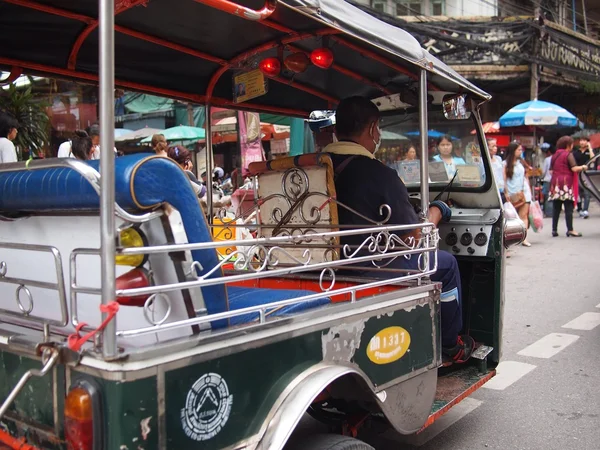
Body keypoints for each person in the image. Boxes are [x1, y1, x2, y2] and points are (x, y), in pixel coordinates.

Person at [322, 96, 473, 365]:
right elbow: (414, 238)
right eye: (377, 129)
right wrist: (437, 211)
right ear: (372, 129)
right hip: (369, 270)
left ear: (336, 130)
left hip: (321, 267)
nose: (378, 135)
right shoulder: (379, 174)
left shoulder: (313, 168)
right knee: (447, 264)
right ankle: (451, 346)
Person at [549, 136, 587, 237]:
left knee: (556, 207)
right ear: (567, 145)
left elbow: (551, 170)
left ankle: (554, 230)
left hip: (555, 184)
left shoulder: (554, 155)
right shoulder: (568, 154)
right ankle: (570, 229)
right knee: (568, 207)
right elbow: (574, 168)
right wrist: (583, 167)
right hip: (566, 183)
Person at [504, 142, 532, 247]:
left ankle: (524, 238)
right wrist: (506, 192)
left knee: (523, 215)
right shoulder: (505, 164)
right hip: (511, 193)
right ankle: (510, 239)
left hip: (523, 192)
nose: (520, 152)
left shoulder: (522, 163)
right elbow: (504, 179)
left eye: (521, 150)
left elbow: (525, 177)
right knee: (510, 217)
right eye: (518, 150)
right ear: (513, 151)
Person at [573, 135, 595, 218]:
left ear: (587, 142)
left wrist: (590, 148)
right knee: (577, 193)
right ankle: (579, 208)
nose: (582, 142)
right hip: (577, 174)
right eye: (581, 140)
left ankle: (585, 210)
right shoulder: (576, 152)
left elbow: (593, 159)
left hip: (586, 175)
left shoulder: (589, 151)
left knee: (587, 193)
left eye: (584, 140)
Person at [541, 145, 554, 217]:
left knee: (546, 197)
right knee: (552, 196)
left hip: (547, 180)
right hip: (555, 181)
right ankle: (552, 212)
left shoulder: (547, 159)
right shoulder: (558, 158)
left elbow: (543, 171)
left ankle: (547, 212)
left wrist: (541, 177)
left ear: (549, 152)